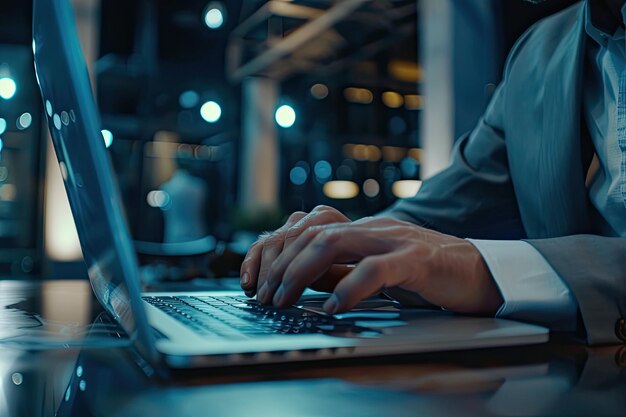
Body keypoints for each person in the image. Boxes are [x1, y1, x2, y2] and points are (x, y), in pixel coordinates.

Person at [240, 0, 626, 345]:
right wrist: (348, 242)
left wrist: (490, 270)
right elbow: (449, 203)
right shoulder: (538, 52)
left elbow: (454, 252)